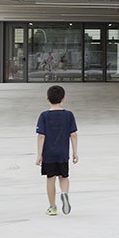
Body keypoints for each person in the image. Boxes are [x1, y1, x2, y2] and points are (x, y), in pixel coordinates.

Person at [34, 84, 78, 215]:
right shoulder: (69, 115)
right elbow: (73, 134)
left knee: (50, 178)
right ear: (63, 99)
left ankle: (52, 207)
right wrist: (75, 152)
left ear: (47, 99)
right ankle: (64, 193)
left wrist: (39, 154)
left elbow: (41, 136)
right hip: (63, 153)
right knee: (63, 177)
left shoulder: (44, 116)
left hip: (48, 154)